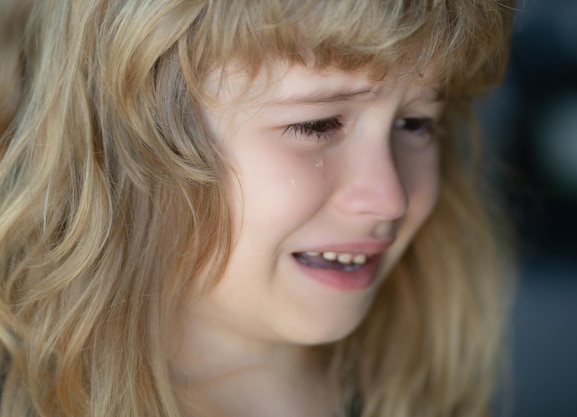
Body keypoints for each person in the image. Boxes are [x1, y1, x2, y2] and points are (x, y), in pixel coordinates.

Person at [0, 1, 515, 416]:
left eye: (415, 124)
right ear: (137, 141)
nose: (390, 197)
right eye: (318, 125)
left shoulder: (423, 394)